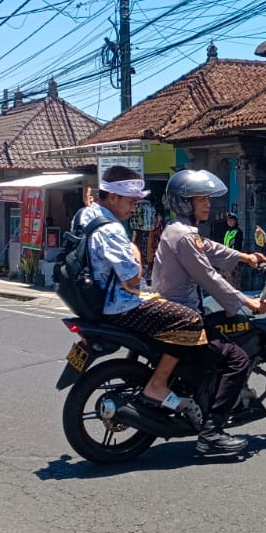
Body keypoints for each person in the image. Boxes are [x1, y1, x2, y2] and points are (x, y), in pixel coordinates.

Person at [82, 168, 220, 443]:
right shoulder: (111, 229)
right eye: (130, 201)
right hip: (122, 304)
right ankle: (157, 385)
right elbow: (132, 276)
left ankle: (142, 373)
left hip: (101, 301)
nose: (134, 207)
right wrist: (134, 249)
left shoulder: (87, 215)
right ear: (112, 197)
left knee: (163, 309)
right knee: (190, 320)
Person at [150, 171, 266, 457]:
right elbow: (209, 277)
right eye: (200, 199)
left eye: (207, 198)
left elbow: (208, 248)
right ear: (184, 202)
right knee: (237, 360)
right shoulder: (184, 236)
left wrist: (244, 257)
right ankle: (212, 433)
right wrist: (248, 303)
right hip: (182, 314)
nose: (208, 204)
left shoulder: (179, 230)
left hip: (175, 310)